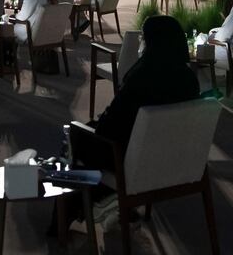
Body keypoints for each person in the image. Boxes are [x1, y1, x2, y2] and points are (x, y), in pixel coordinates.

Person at [73, 15, 200, 171]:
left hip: (131, 157)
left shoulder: (140, 79)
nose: (141, 45)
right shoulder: (189, 79)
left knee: (76, 134)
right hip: (171, 156)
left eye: (143, 39)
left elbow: (109, 127)